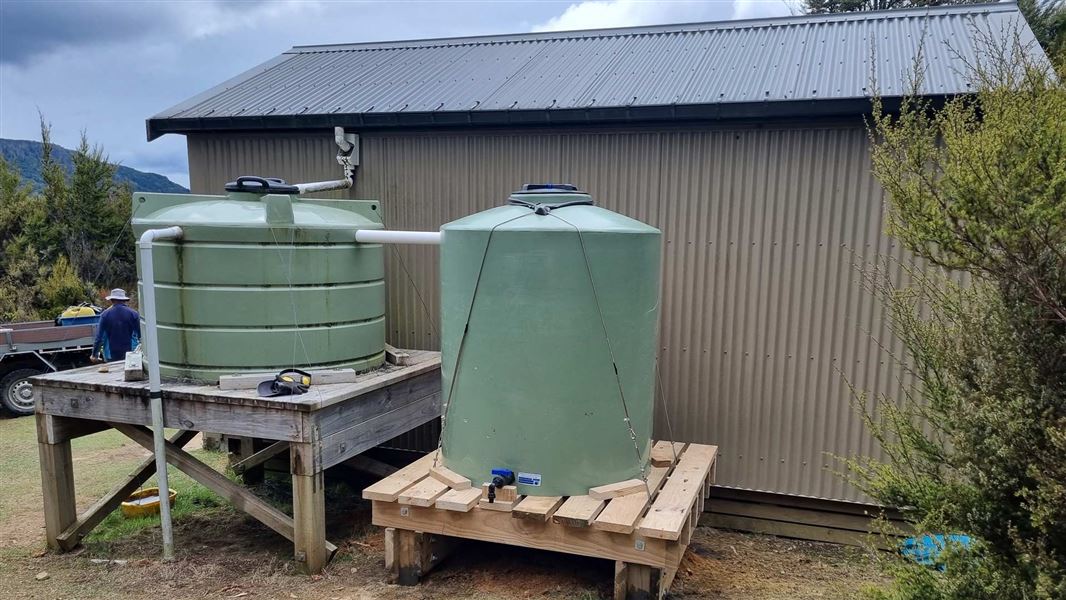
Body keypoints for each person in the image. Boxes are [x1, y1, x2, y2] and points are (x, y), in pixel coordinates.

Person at [91, 288, 140, 363]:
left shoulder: (105, 315)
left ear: (112, 300)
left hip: (110, 354)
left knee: (113, 374)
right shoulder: (134, 314)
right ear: (124, 300)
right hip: (131, 353)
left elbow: (99, 338)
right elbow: (140, 335)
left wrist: (94, 355)